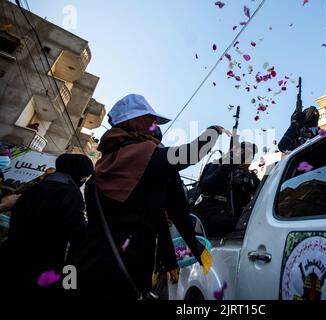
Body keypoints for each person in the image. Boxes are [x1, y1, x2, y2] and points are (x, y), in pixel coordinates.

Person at [68, 94, 227, 299]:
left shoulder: (103, 167)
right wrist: (213, 131)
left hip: (85, 262)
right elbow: (190, 153)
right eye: (150, 121)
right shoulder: (143, 156)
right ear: (135, 122)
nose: (154, 127)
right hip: (121, 270)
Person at [2, 153, 93, 298]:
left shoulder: (35, 188)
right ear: (79, 175)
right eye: (84, 177)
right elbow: (78, 234)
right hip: (41, 267)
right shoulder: (71, 194)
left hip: (11, 257)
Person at [192, 141, 261, 238]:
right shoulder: (218, 164)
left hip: (237, 218)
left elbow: (264, 193)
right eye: (245, 153)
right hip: (211, 216)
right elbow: (204, 188)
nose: (247, 157)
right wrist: (226, 166)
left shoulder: (249, 177)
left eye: (251, 155)